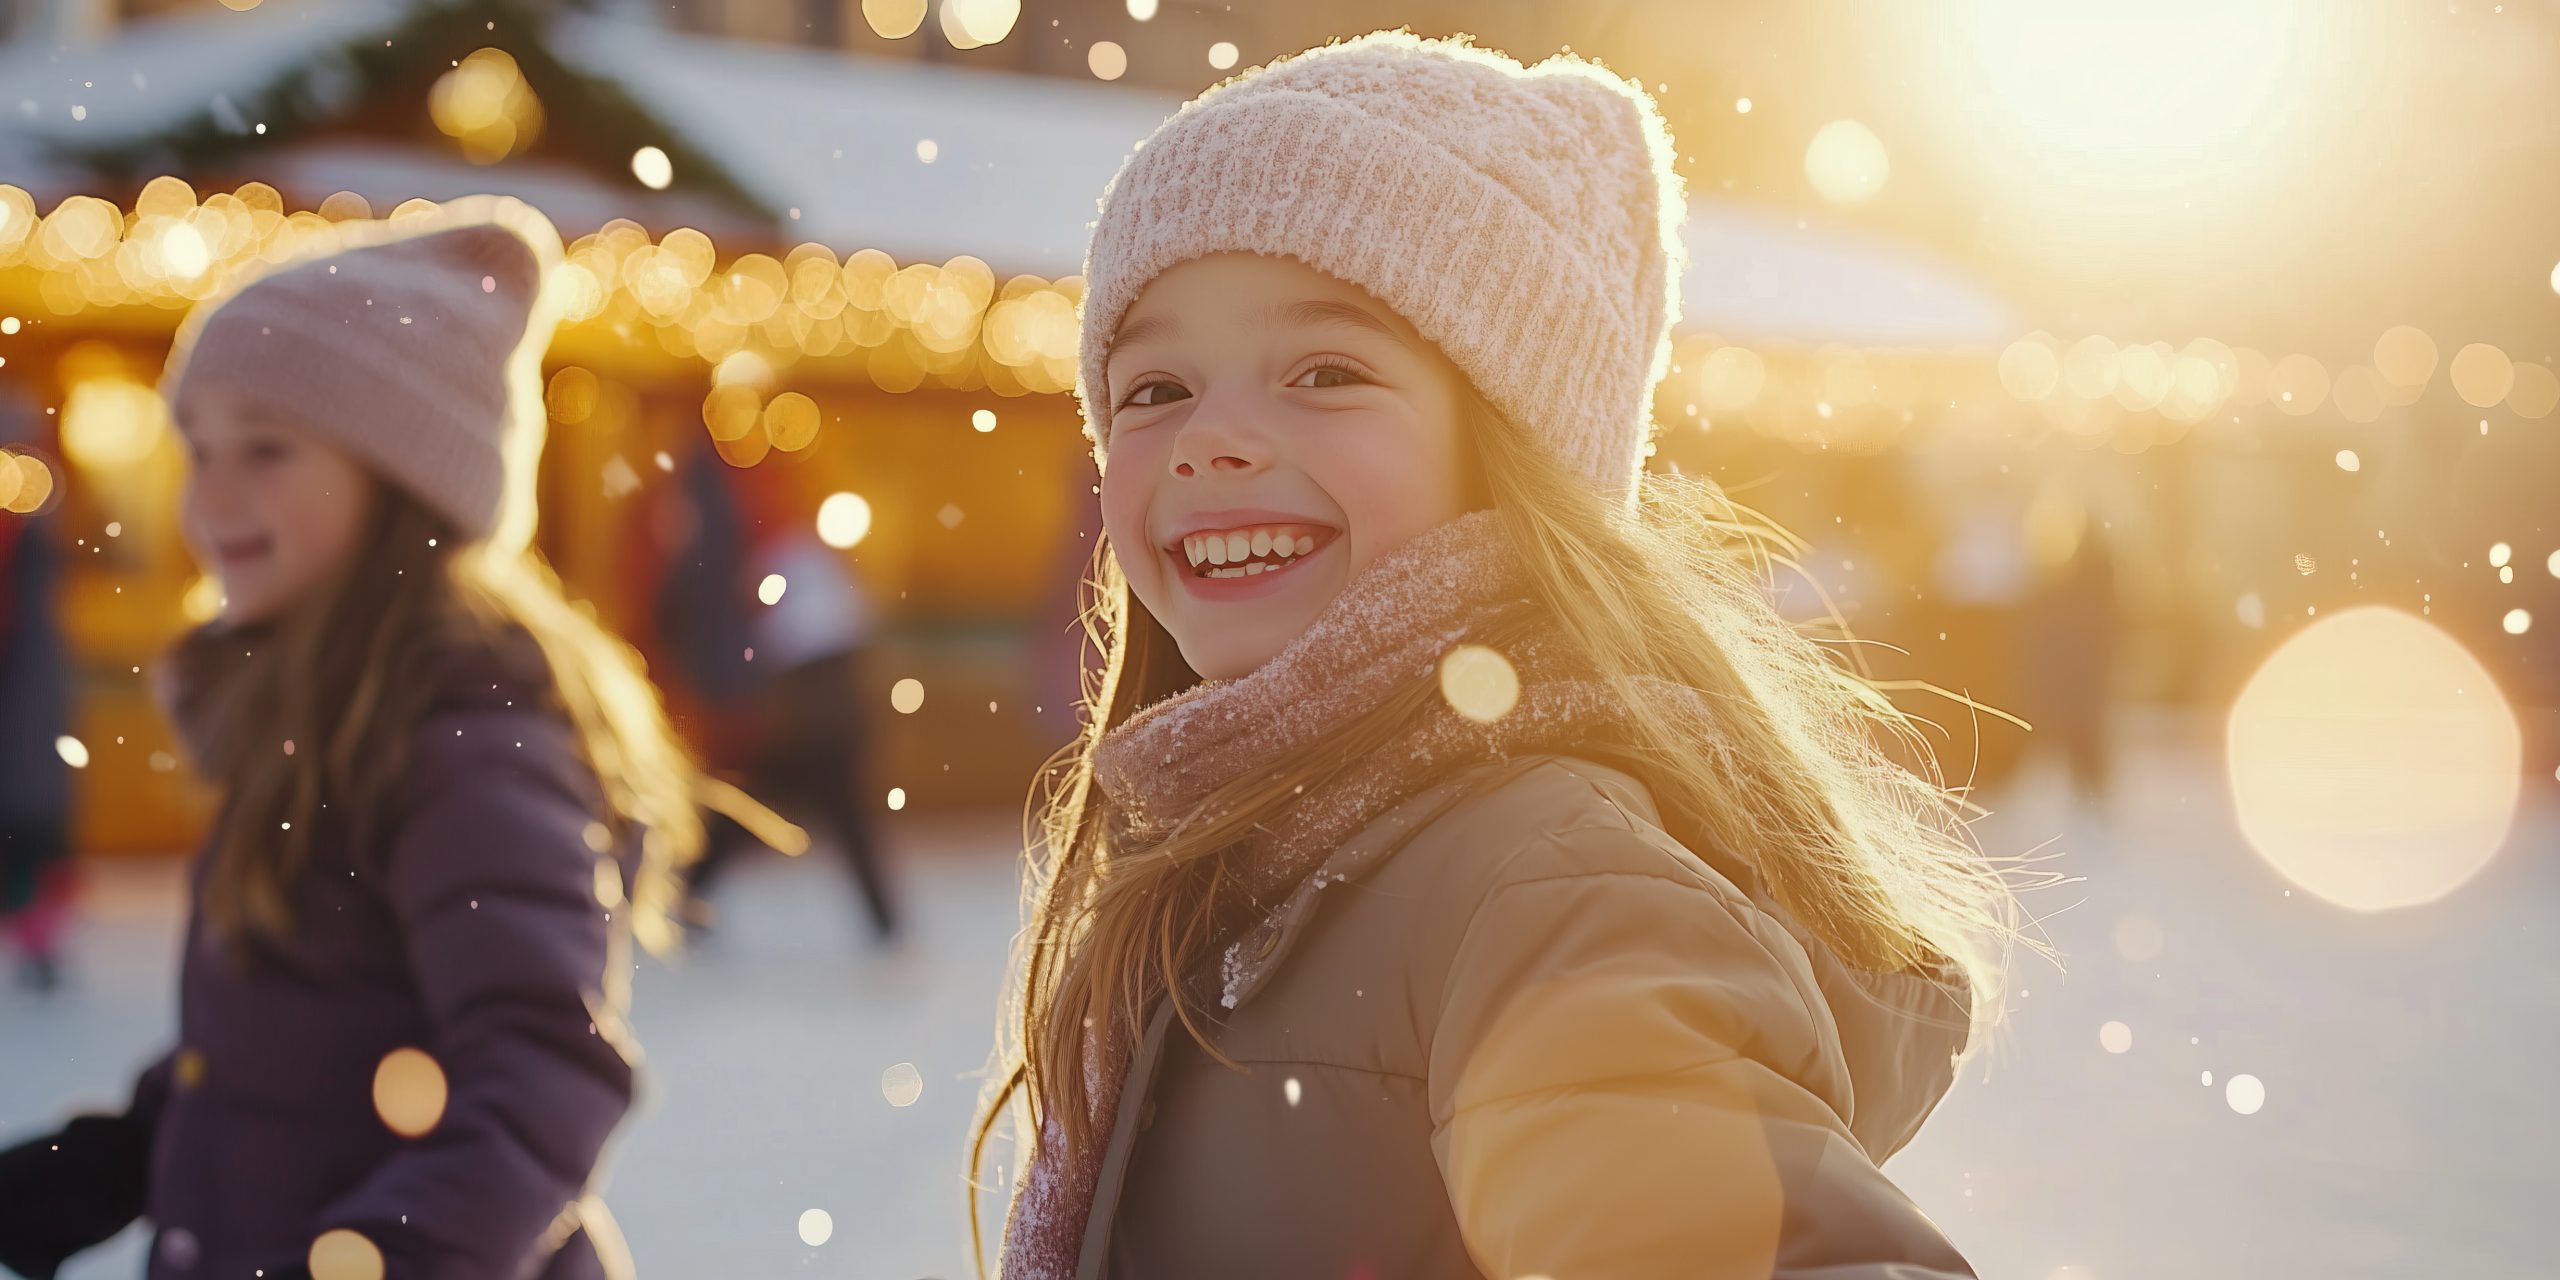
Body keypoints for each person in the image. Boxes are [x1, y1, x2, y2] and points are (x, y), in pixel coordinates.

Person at [977, 33, 2018, 1280]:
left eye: (1325, 370)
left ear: (1506, 452)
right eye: (1154, 388)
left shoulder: (1550, 889)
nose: (1213, 439)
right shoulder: (1236, 855)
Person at [0, 200, 725, 1280]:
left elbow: (540, 1079)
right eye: (198, 451)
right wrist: (107, 1165)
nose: (214, 497)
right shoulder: (307, 720)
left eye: (268, 449)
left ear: (403, 482)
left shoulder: (468, 741)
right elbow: (290, 1057)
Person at [0, 396, 74, 994]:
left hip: (27, 696)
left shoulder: (31, 516)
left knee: (28, 826)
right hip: (29, 696)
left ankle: (38, 940)